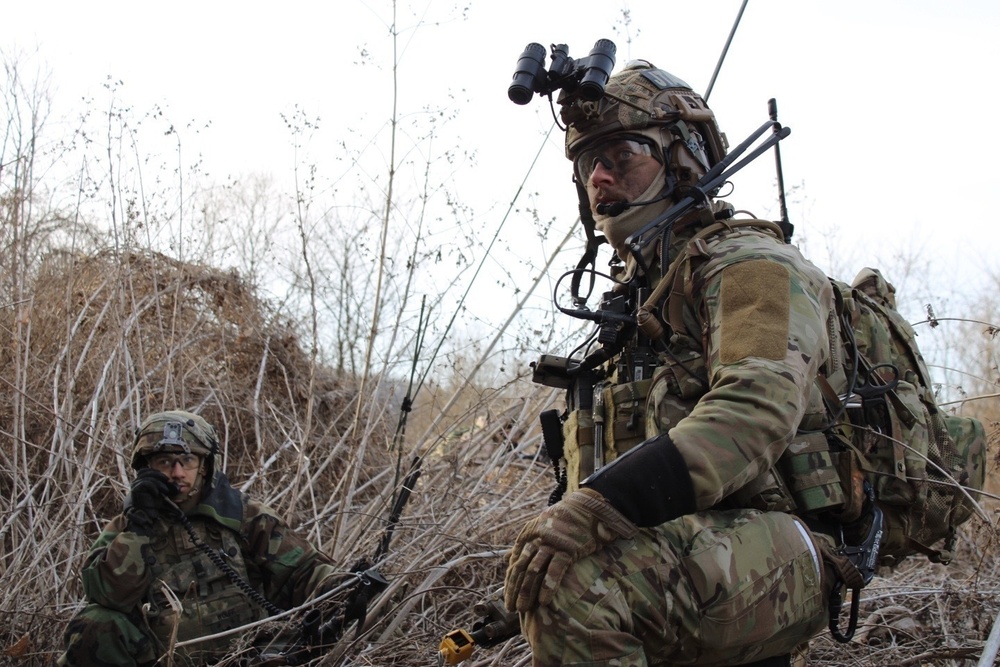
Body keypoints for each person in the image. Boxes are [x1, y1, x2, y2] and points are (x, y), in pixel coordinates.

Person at [504, 61, 867, 666]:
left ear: (684, 160)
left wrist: (597, 510)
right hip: (689, 540)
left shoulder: (752, 267)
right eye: (587, 161)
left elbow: (756, 407)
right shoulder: (637, 299)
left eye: (622, 153)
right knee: (556, 580)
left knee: (579, 592)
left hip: (784, 547)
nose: (599, 175)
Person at [59, 410, 349, 666]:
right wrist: (138, 526)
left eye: (187, 460)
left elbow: (305, 570)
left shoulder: (242, 515)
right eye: (164, 461)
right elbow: (108, 597)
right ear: (146, 468)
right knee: (94, 624)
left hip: (249, 653)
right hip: (164, 656)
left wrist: (346, 586)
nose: (177, 473)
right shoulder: (128, 526)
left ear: (206, 465)